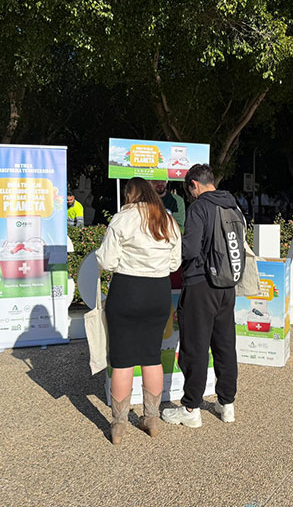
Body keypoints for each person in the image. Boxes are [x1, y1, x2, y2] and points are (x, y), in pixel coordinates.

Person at [95, 177, 181, 445]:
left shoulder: (122, 218)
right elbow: (175, 263)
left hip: (127, 290)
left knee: (122, 360)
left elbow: (106, 261)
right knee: (151, 356)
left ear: (129, 195)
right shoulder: (167, 220)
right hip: (158, 292)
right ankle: (151, 418)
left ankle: (119, 425)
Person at [162, 164, 241, 428]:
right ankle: (226, 404)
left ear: (194, 184)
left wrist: (174, 243)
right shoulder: (233, 206)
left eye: (189, 190)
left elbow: (191, 249)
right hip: (227, 285)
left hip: (200, 285)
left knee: (195, 347)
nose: (190, 195)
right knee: (224, 344)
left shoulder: (199, 207)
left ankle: (191, 408)